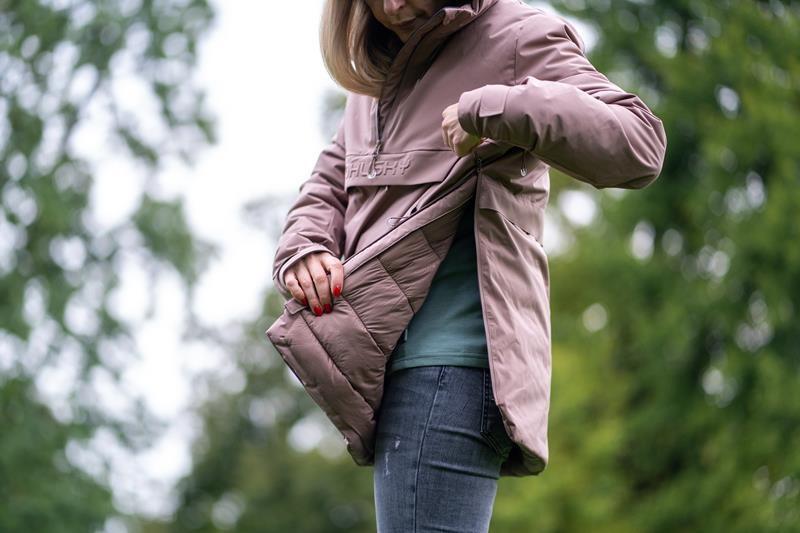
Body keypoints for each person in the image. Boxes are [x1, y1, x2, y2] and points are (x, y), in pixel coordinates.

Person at [272, 0, 667, 531]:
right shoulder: (375, 75)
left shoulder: (517, 35)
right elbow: (330, 181)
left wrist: (496, 106)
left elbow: (639, 144)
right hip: (396, 372)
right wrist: (306, 246)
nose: (392, 5)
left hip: (450, 370)